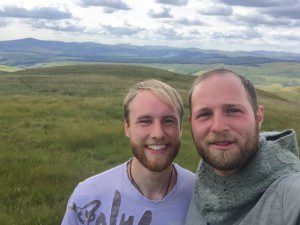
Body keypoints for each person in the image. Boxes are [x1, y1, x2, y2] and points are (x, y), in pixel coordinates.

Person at [62, 79, 195, 225]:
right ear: (127, 128)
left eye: (168, 121)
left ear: (180, 128)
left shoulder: (201, 194)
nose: (158, 134)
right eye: (145, 121)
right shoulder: (87, 198)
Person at [185, 69, 300, 225]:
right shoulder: (196, 182)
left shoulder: (289, 193)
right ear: (192, 123)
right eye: (204, 114)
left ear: (258, 116)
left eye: (233, 111)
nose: (218, 127)